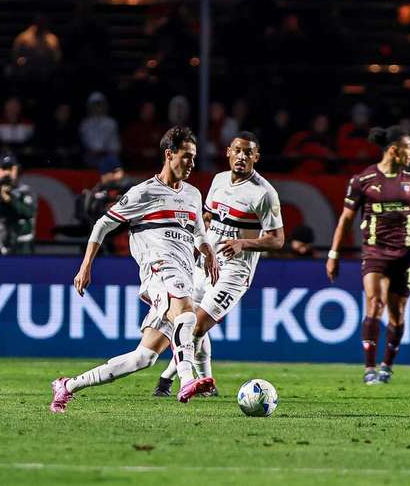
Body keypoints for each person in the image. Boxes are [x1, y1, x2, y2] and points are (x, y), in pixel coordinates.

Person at [49, 126, 220, 413]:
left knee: (143, 358)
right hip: (158, 271)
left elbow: (199, 233)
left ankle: (67, 386)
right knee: (188, 315)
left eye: (194, 158)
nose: (191, 163)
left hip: (183, 273)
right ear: (169, 155)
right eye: (186, 157)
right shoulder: (143, 193)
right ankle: (188, 380)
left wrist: (209, 252)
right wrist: (86, 265)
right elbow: (102, 224)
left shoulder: (192, 194)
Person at [152, 132, 285, 397]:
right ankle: (207, 383)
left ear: (256, 157)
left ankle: (168, 378)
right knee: (190, 321)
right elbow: (209, 217)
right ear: (228, 152)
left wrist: (243, 244)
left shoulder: (264, 193)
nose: (241, 157)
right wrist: (195, 246)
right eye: (237, 150)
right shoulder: (219, 180)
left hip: (235, 272)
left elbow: (277, 239)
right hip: (205, 264)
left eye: (248, 152)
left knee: (198, 326)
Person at [326, 126, 410, 385]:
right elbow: (345, 220)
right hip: (375, 251)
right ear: (393, 150)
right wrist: (333, 253)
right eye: (409, 148)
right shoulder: (362, 181)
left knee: (397, 314)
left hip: (405, 254)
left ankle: (387, 365)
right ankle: (369, 370)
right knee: (375, 304)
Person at [0, 152, 37, 255]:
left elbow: (29, 212)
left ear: (17, 170)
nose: (7, 173)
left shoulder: (24, 191)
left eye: (11, 169)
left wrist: (9, 199)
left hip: (20, 247)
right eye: (3, 168)